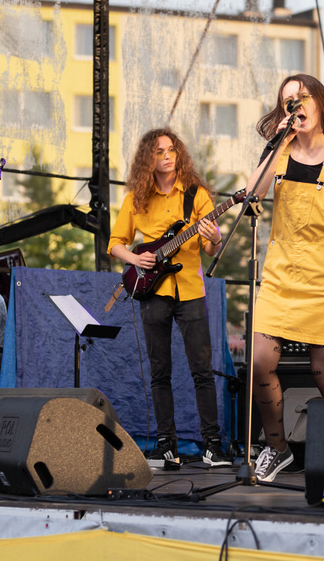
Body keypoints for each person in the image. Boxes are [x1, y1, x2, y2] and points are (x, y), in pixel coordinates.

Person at [247, 74, 324, 482]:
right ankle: (277, 449)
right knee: (259, 362)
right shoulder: (280, 151)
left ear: (319, 103)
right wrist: (275, 143)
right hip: (280, 274)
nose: (296, 104)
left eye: (303, 96)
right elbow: (253, 194)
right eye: (288, 101)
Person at [108, 128, 229, 468]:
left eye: (172, 150)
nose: (167, 156)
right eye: (159, 151)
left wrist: (215, 237)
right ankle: (166, 446)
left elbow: (209, 248)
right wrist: (136, 259)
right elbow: (116, 243)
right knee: (159, 371)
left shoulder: (196, 194)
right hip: (153, 290)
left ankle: (212, 446)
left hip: (190, 289)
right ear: (148, 158)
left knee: (202, 370)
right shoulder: (137, 198)